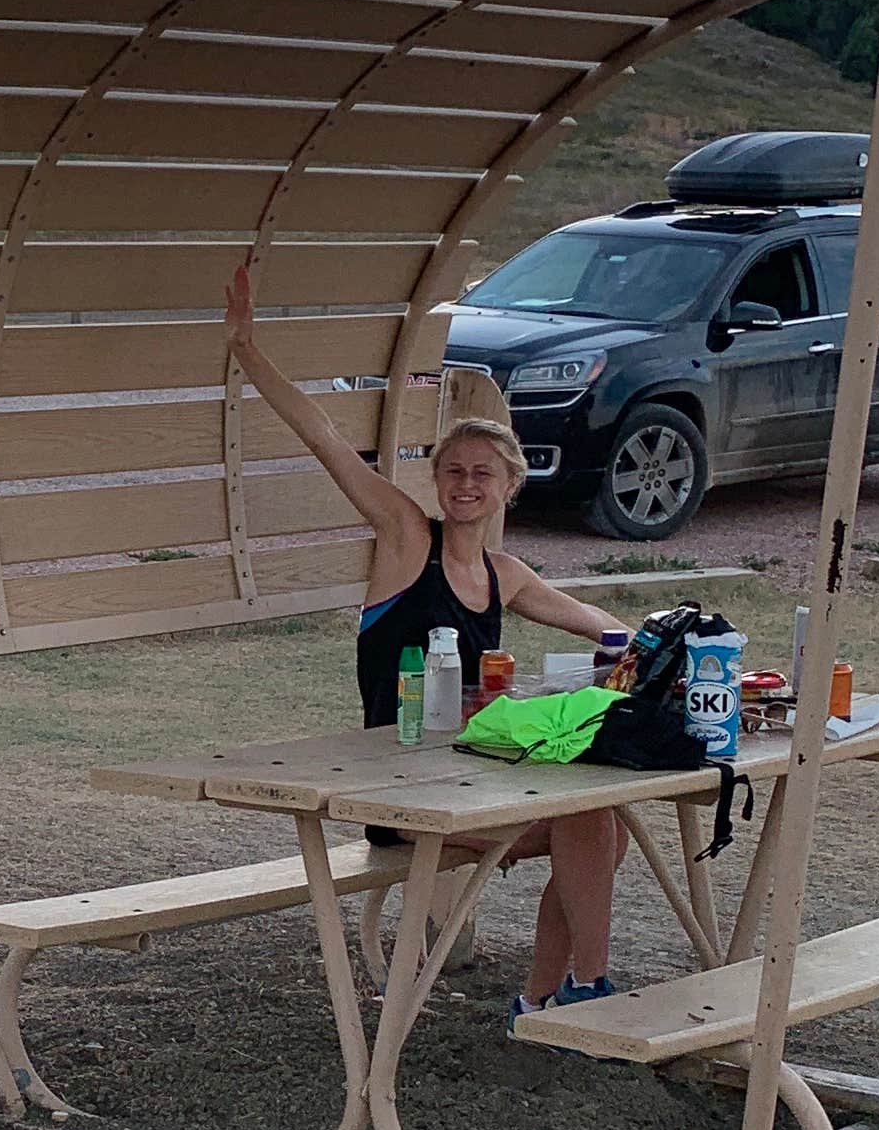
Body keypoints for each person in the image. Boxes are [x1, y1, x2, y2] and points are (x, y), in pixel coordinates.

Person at [226, 258, 627, 1019]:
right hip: (399, 791)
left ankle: (550, 997)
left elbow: (603, 625)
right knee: (590, 820)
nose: (467, 485)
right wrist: (248, 351)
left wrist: (685, 647)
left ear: (510, 486)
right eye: (454, 472)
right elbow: (327, 443)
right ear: (437, 481)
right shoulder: (409, 539)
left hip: (470, 780)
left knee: (604, 824)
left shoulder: (505, 574)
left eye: (483, 474)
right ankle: (588, 993)